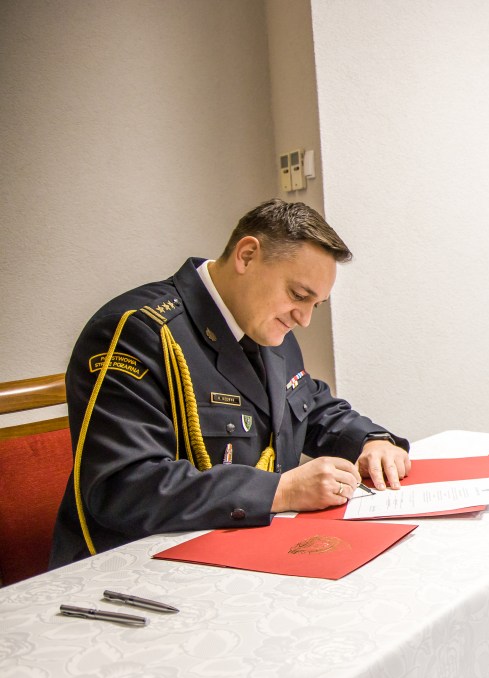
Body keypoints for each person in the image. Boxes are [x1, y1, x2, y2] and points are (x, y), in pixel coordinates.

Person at [49, 200, 412, 568]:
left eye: (315, 305)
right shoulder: (138, 331)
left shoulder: (266, 325)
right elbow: (125, 487)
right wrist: (280, 491)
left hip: (242, 550)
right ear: (247, 256)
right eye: (299, 296)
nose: (304, 319)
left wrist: (370, 441)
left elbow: (308, 405)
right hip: (137, 567)